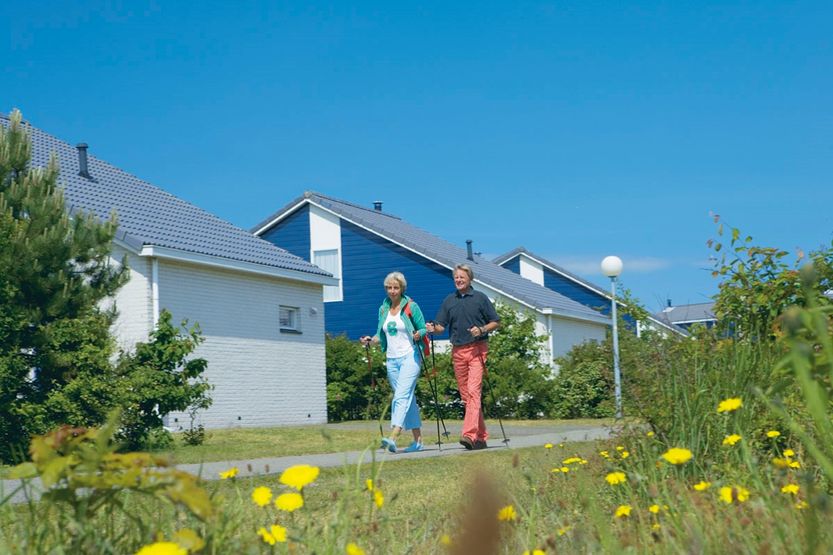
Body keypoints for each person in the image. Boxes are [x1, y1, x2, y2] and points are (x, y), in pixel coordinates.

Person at [426, 264, 500, 450]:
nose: (458, 280)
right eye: (456, 277)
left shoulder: (480, 298)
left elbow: (495, 322)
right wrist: (433, 329)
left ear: (470, 279)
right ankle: (481, 437)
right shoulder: (449, 300)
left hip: (477, 349)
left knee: (474, 392)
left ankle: (468, 435)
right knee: (467, 397)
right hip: (458, 351)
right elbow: (441, 326)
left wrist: (481, 329)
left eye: (462, 277)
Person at [360, 271, 427, 454]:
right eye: (389, 287)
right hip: (392, 360)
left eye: (395, 288)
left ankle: (393, 437)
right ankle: (418, 441)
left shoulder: (411, 306)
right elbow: (381, 336)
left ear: (402, 288)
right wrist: (369, 340)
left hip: (410, 357)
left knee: (400, 397)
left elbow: (423, 329)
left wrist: (418, 334)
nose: (392, 291)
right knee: (408, 398)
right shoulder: (383, 309)